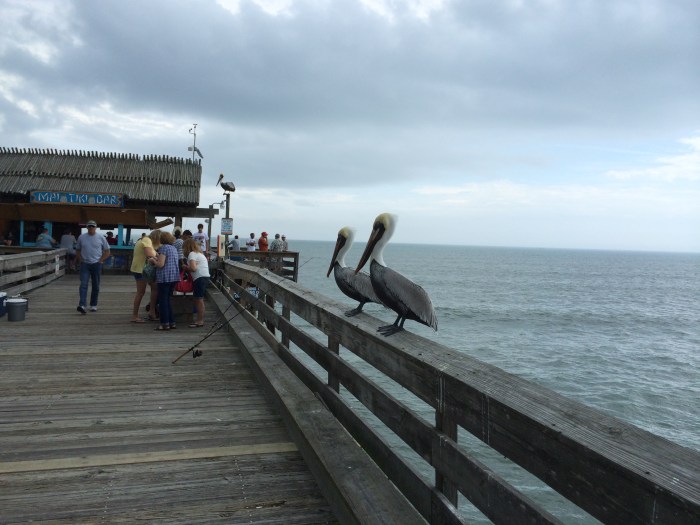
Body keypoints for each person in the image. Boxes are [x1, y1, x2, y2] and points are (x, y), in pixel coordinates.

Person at [75, 220, 110, 314]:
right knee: (83, 284)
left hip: (96, 264)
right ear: (86, 227)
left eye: (92, 226)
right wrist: (80, 259)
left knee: (96, 285)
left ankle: (93, 304)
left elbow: (107, 251)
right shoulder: (81, 237)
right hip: (85, 264)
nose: (91, 228)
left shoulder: (101, 237)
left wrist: (101, 260)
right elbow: (77, 250)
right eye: (89, 226)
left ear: (96, 227)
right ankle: (82, 305)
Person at [152, 231, 180, 331]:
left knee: (163, 301)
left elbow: (160, 264)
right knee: (168, 300)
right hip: (174, 277)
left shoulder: (163, 248)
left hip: (164, 278)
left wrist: (153, 260)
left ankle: (164, 324)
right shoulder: (174, 248)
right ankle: (171, 322)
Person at [129, 229, 159, 323]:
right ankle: (135, 316)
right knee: (141, 292)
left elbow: (154, 254)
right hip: (141, 270)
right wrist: (160, 259)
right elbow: (150, 255)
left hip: (142, 270)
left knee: (155, 288)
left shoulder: (147, 241)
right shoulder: (147, 240)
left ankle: (152, 312)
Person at [183, 238, 210, 328]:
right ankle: (199, 320)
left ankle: (200, 321)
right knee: (199, 299)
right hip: (204, 277)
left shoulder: (192, 254)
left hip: (200, 278)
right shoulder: (199, 254)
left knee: (199, 299)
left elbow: (193, 268)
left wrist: (185, 267)